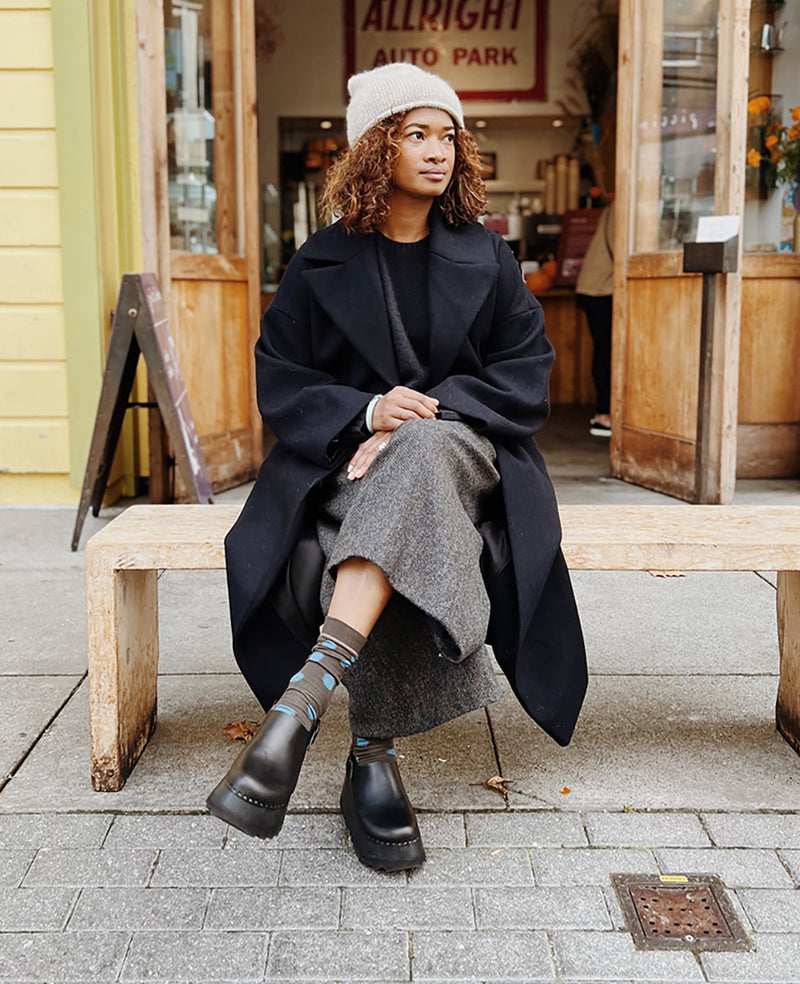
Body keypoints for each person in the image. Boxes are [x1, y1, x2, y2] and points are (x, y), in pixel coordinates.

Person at [207, 63, 587, 871]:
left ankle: (307, 698)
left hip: (472, 455)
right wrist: (366, 413)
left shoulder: (489, 257)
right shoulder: (318, 263)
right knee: (400, 519)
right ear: (377, 147)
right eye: (416, 133)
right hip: (350, 466)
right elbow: (280, 379)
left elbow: (526, 373)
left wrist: (419, 418)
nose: (438, 150)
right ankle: (369, 755)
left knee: (419, 457)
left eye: (447, 135)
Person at [575, 200, 615, 438]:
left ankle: (605, 413)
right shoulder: (624, 206)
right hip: (601, 289)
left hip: (598, 287)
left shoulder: (616, 207)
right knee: (607, 351)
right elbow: (622, 249)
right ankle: (603, 415)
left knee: (606, 350)